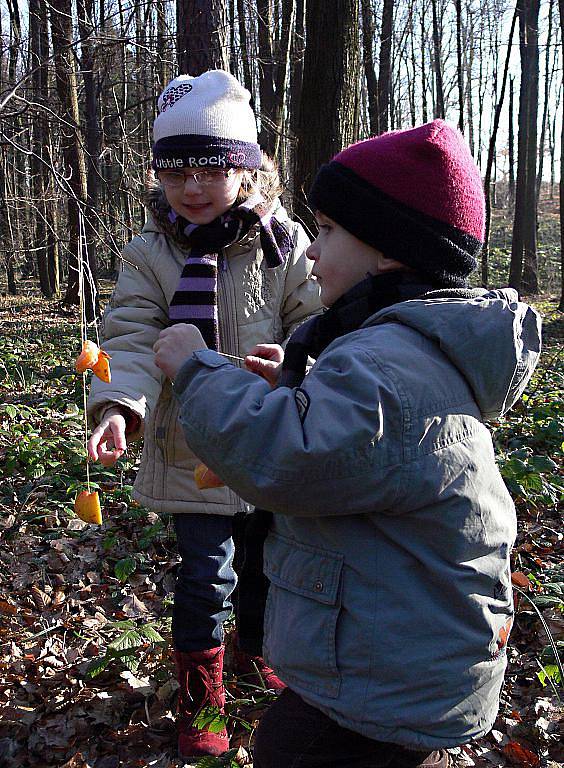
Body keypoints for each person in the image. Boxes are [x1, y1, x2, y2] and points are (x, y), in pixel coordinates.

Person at [153, 119, 542, 767]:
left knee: (290, 749)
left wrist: (200, 370)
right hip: (402, 658)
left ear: (389, 253)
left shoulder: (387, 365)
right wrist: (293, 386)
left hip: (384, 678)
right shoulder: (408, 352)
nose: (311, 250)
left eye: (329, 232)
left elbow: (289, 459)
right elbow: (358, 449)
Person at [87, 70, 321, 759]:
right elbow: (130, 337)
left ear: (246, 170)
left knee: (268, 564)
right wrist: (118, 408)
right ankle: (201, 698)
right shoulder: (151, 252)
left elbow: (316, 317)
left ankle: (253, 655)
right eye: (174, 170)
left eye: (211, 170)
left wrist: (297, 359)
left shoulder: (282, 245)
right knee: (204, 575)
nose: (191, 188)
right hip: (194, 449)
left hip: (271, 435)